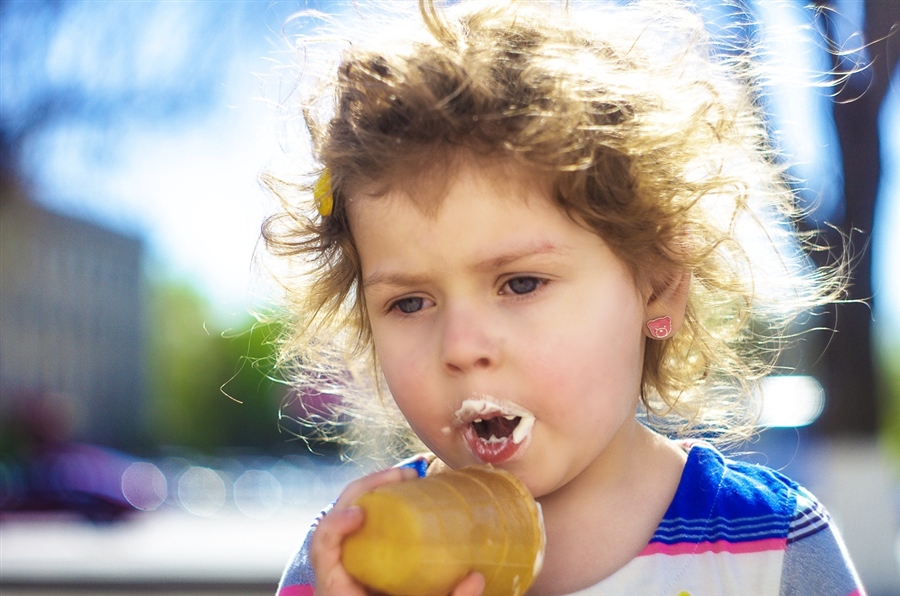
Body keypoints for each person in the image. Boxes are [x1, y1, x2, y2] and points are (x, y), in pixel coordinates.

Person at [262, 1, 864, 594]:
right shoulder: (347, 562)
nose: (462, 346)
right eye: (411, 303)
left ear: (657, 284)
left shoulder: (773, 545)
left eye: (521, 283)